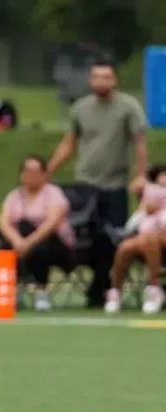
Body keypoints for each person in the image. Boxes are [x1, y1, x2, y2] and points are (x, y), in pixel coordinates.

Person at [47, 60, 148, 307]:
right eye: (96, 77)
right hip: (85, 185)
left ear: (114, 80)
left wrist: (141, 174)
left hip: (114, 184)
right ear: (91, 80)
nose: (101, 81)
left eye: (106, 77)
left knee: (113, 238)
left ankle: (103, 287)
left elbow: (140, 144)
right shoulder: (81, 108)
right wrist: (47, 171)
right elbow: (69, 143)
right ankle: (97, 286)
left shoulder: (128, 107)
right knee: (87, 239)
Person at [0, 155, 77, 311]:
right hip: (21, 245)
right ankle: (12, 291)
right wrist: (17, 241)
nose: (31, 175)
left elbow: (51, 223)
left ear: (45, 174)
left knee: (38, 243)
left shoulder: (54, 194)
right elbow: (4, 221)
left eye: (36, 171)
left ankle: (42, 292)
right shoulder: (14, 196)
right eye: (27, 171)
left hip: (54, 245)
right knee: (7, 243)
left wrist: (29, 242)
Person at [105, 164, 166, 314]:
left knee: (150, 238)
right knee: (125, 246)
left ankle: (153, 289)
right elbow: (132, 225)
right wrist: (145, 209)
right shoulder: (147, 203)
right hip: (147, 240)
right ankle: (115, 293)